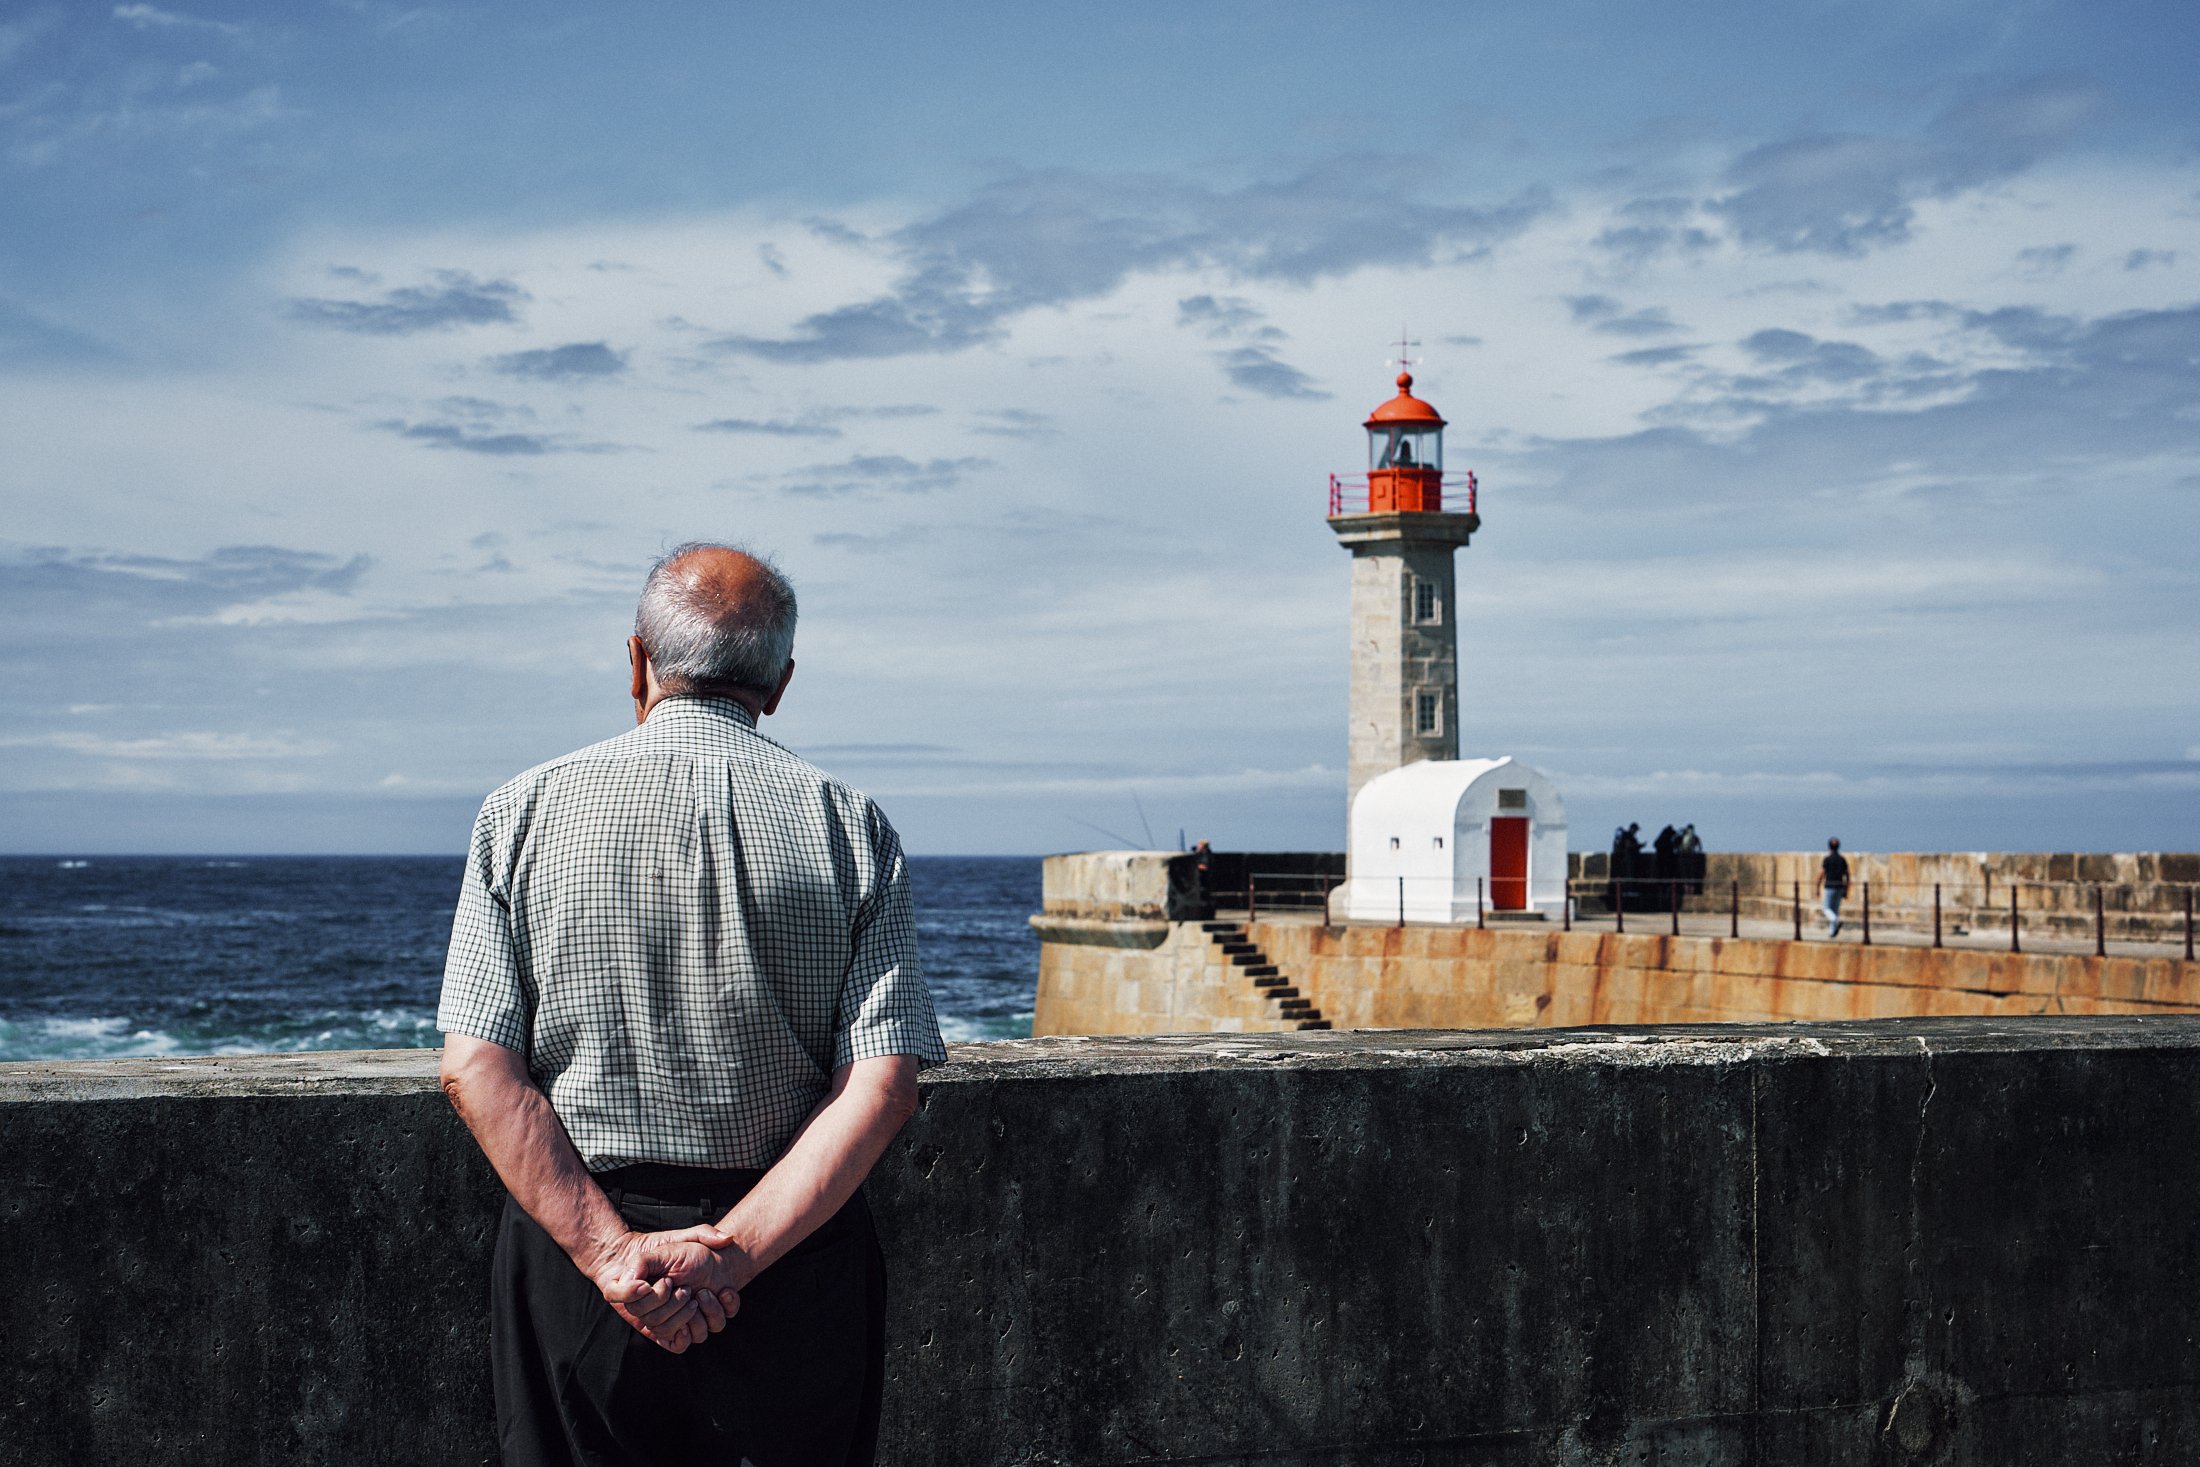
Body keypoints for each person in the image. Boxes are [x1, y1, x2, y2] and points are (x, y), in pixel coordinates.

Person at [436, 542, 947, 1467]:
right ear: (781, 683)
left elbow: (476, 1067)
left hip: (579, 1253)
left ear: (636, 660)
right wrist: (732, 1258)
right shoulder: (851, 825)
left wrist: (612, 1255)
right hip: (788, 1258)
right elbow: (883, 1087)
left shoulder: (520, 810)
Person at [1816, 837, 1851, 939]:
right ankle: (1832, 933)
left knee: (1826, 909)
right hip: (1840, 887)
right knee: (1835, 910)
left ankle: (1835, 920)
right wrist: (1846, 889)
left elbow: (1821, 874)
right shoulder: (1842, 859)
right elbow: (1848, 876)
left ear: (1829, 847)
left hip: (1829, 887)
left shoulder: (1827, 859)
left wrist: (1817, 887)